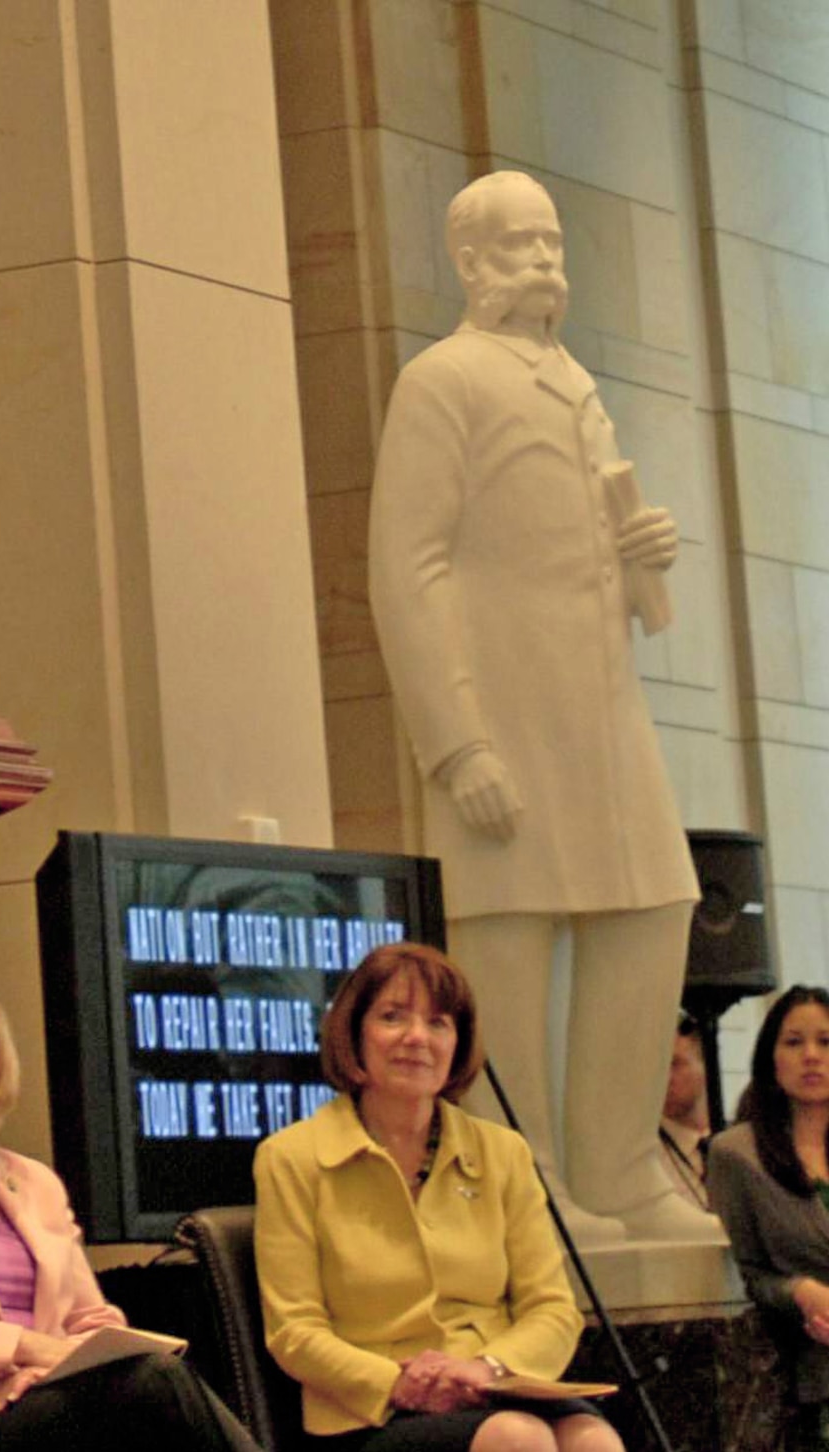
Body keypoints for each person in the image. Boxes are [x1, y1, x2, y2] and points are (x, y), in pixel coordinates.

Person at [367, 168, 710, 1245]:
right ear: (467, 263)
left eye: (552, 246)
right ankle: (525, 1180)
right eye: (520, 248)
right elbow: (403, 566)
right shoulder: (441, 381)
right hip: (503, 708)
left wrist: (637, 549)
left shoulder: (571, 381)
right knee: (506, 938)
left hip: (600, 709)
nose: (543, 267)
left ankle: (614, 1165)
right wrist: (455, 740)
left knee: (651, 905)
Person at [253, 943, 621, 1451]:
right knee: (517, 1437)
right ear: (354, 1032)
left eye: (438, 1023)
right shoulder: (292, 1158)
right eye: (392, 1017)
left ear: (458, 1043)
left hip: (495, 1381)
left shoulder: (502, 1153)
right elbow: (295, 1332)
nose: (416, 1038)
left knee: (589, 1437)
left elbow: (553, 1310)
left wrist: (483, 1369)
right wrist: (401, 1384)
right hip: (370, 1411)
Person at [0, 978, 261, 1451]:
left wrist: (56, 1366)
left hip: (48, 1393)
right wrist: (28, 1349)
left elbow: (89, 1318)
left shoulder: (33, 1182)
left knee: (152, 1383)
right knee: (154, 1385)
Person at [707, 986, 829, 1447]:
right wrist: (800, 1289)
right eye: (794, 1042)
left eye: (826, 1042)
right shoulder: (737, 1154)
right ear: (771, 1058)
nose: (812, 1056)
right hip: (809, 1373)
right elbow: (746, 1275)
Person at [660, 1012, 712, 1211]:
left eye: (675, 1064)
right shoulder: (644, 1157)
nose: (664, 1078)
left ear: (706, 1065)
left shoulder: (741, 1142)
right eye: (659, 1067)